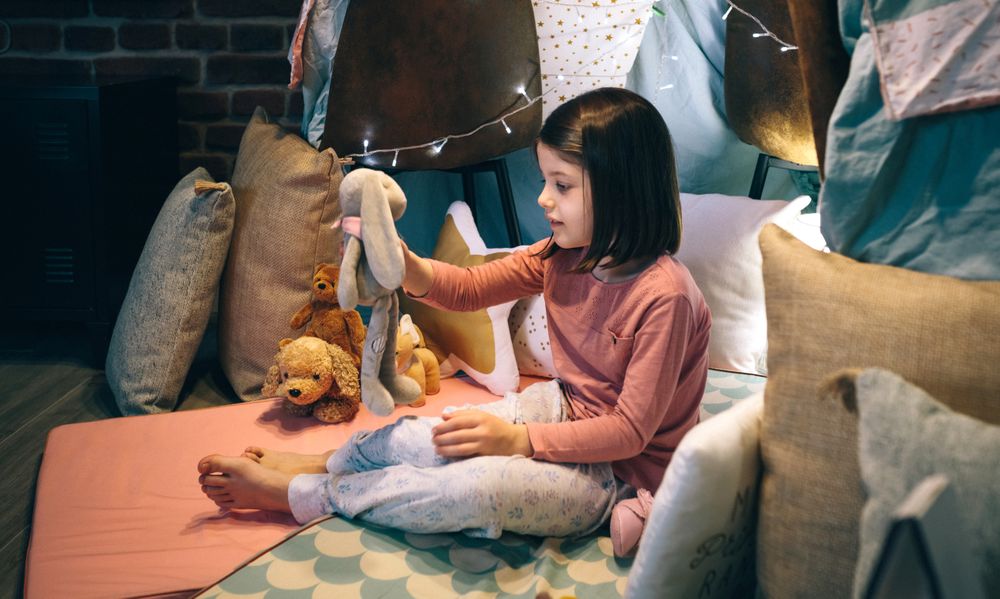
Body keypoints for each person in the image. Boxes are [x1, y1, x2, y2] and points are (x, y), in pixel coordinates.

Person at [198, 87, 711, 555]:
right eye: (544, 181)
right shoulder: (565, 255)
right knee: (425, 437)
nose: (543, 199)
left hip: (618, 472)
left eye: (563, 185)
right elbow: (467, 288)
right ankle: (332, 463)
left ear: (623, 190)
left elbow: (629, 432)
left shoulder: (665, 298)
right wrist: (402, 264)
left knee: (476, 489)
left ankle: (309, 494)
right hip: (562, 410)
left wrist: (518, 442)